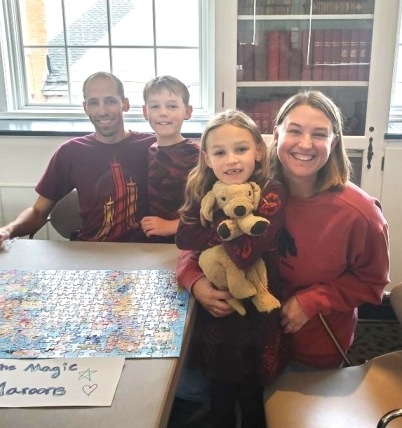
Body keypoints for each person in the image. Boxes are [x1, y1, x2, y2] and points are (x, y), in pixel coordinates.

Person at [176, 110, 288, 428]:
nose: (232, 160)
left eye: (240, 149)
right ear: (207, 158)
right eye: (220, 152)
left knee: (253, 397)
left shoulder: (270, 192)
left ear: (258, 151)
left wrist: (213, 228)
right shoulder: (201, 188)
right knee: (219, 394)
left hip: (257, 313)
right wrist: (228, 229)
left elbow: (245, 254)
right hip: (216, 312)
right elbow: (183, 236)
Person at [0, 72, 156, 256]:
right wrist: (5, 231)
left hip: (143, 253)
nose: (102, 110)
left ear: (125, 104)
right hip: (89, 253)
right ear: (85, 107)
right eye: (94, 102)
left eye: (110, 101)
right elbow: (38, 211)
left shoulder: (153, 147)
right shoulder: (71, 152)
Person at [269, 90, 390, 370]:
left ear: (334, 142)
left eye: (320, 134)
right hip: (247, 339)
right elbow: (202, 239)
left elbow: (374, 284)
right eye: (295, 131)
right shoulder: (250, 192)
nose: (306, 143)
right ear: (276, 134)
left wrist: (315, 299)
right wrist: (195, 279)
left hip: (312, 348)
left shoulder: (361, 215)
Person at [140, 75, 200, 243]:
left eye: (172, 106)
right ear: (146, 112)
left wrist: (173, 225)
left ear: (187, 111)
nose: (163, 113)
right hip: (154, 244)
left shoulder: (197, 156)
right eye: (155, 106)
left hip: (188, 242)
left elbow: (210, 207)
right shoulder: (149, 151)